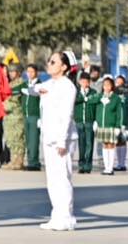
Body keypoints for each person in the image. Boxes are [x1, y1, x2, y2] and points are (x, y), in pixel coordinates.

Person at [35, 51, 78, 232]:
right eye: (49, 60)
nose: (49, 63)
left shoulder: (68, 87)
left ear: (64, 67)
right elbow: (34, 88)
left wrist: (62, 141)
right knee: (52, 180)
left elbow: (66, 115)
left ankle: (67, 218)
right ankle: (56, 216)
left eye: (53, 61)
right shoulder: (51, 83)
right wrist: (38, 89)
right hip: (49, 136)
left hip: (63, 138)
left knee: (62, 179)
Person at [96, 76, 125, 176]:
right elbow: (96, 108)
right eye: (104, 85)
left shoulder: (116, 98)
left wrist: (118, 126)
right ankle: (106, 167)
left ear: (112, 86)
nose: (106, 87)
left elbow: (119, 113)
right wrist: (96, 121)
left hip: (112, 126)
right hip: (102, 126)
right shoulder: (100, 97)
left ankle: (110, 168)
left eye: (108, 85)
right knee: (104, 145)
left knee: (111, 145)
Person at [73, 71, 99, 174]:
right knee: (81, 144)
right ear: (79, 81)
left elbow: (96, 104)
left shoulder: (93, 92)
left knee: (89, 144)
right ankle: (81, 165)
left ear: (89, 82)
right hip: (79, 121)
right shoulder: (76, 92)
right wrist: (83, 97)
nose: (84, 83)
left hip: (89, 121)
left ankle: (88, 165)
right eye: (82, 81)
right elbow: (75, 101)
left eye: (86, 81)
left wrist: (96, 121)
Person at [3, 59, 26, 169]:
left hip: (17, 116)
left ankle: (19, 161)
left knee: (18, 139)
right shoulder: (9, 84)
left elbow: (17, 101)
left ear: (19, 72)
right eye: (10, 72)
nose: (11, 74)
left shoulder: (21, 84)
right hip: (9, 117)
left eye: (13, 71)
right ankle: (13, 160)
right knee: (11, 139)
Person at [23, 63, 43, 171]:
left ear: (36, 73)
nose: (30, 74)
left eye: (32, 71)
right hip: (25, 115)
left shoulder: (40, 85)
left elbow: (42, 102)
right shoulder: (25, 84)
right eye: (28, 71)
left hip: (35, 116)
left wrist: (41, 117)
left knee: (34, 140)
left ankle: (34, 163)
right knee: (28, 140)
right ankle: (30, 161)